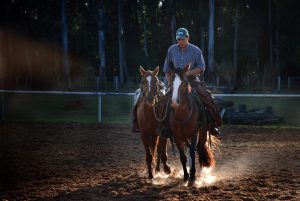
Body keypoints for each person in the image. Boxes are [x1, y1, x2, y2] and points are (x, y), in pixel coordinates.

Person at [163, 27, 222, 136]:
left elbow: (201, 67)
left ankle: (212, 125)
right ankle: (163, 127)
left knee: (207, 98)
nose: (180, 41)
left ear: (187, 38)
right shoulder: (171, 50)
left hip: (192, 80)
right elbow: (166, 70)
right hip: (175, 82)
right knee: (162, 101)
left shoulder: (196, 50)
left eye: (182, 39)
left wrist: (185, 74)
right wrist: (171, 83)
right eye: (178, 39)